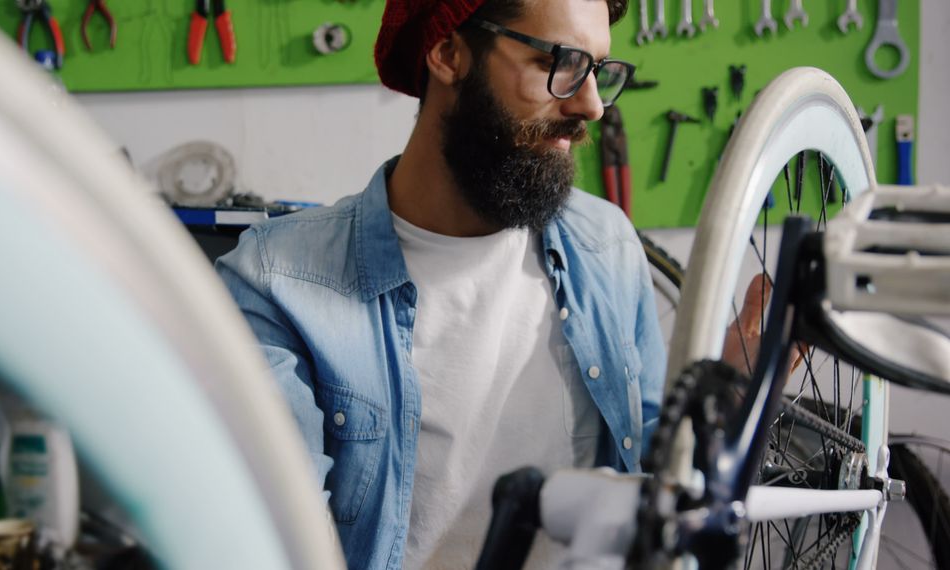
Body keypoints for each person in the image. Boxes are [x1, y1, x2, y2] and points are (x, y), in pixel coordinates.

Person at [216, 0, 766, 567]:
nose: (591, 105)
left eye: (598, 70)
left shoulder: (606, 245)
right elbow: (275, 541)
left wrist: (728, 390)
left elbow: (649, 473)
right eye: (563, 62)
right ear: (448, 52)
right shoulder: (277, 283)